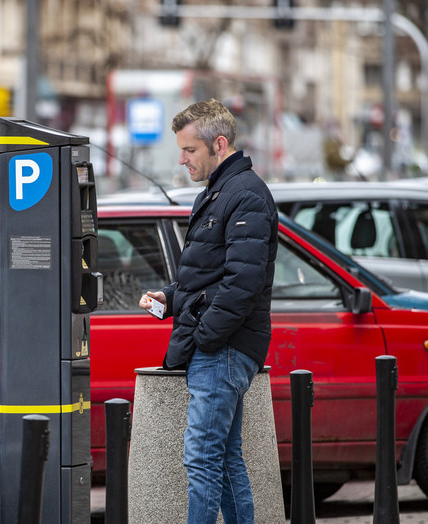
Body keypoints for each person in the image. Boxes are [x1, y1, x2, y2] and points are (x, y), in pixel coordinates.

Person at [139, 98, 278, 524]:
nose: (181, 159)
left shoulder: (244, 195)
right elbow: (208, 276)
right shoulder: (222, 192)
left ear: (219, 144)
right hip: (221, 344)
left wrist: (205, 336)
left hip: (225, 347)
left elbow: (243, 284)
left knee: (201, 458)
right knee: (224, 460)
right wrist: (170, 297)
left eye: (190, 150)